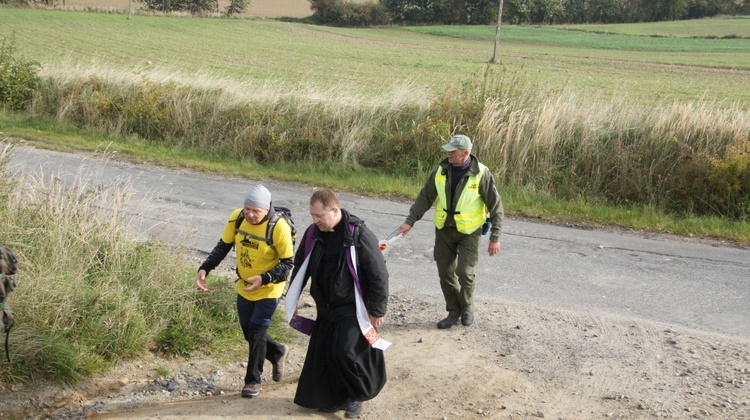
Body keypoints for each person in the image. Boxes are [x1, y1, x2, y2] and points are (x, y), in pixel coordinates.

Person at [288, 188, 389, 419]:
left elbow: (379, 274)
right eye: (312, 216)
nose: (315, 221)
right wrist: (292, 299)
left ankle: (356, 396)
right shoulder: (313, 233)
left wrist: (377, 310)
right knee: (324, 353)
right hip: (325, 306)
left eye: (319, 216)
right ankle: (335, 398)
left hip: (353, 307)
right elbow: (301, 265)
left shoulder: (359, 234)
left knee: (345, 351)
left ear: (335, 210)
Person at [195, 184, 293, 398]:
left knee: (256, 334)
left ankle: (252, 381)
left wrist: (265, 278)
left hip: (269, 288)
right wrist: (205, 268)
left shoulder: (279, 227)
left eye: (255, 211)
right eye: (247, 208)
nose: (249, 214)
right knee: (248, 332)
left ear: (267, 209)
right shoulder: (237, 218)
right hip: (246, 286)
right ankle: (277, 352)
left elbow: (287, 262)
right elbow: (223, 246)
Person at [397, 134, 503, 329]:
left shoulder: (481, 173)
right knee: (445, 272)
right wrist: (410, 220)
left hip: (469, 231)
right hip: (444, 230)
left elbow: (496, 207)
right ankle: (453, 312)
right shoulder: (440, 170)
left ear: (466, 153)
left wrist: (495, 237)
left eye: (453, 151)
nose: (448, 154)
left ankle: (467, 307)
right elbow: (425, 197)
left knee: (464, 272)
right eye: (448, 150)